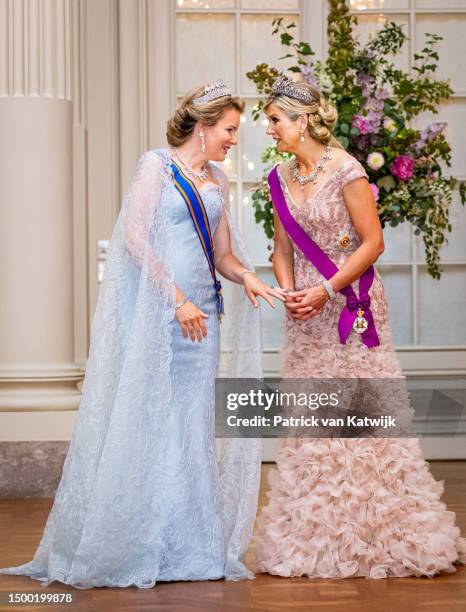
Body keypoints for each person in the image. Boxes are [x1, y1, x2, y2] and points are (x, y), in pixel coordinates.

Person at [0, 79, 286, 589]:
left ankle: (192, 548)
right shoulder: (156, 165)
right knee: (150, 421)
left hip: (204, 322)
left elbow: (221, 255)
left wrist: (248, 279)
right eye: (228, 129)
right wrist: (176, 300)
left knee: (192, 427)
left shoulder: (217, 181)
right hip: (162, 315)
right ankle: (138, 540)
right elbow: (134, 239)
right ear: (202, 128)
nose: (233, 139)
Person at [249, 76, 466, 579]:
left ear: (302, 121)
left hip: (352, 305)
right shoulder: (279, 178)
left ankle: (385, 534)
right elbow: (281, 251)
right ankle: (313, 537)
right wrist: (288, 294)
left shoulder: (347, 170)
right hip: (306, 314)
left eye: (276, 119)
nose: (270, 128)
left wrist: (325, 290)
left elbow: (372, 243)